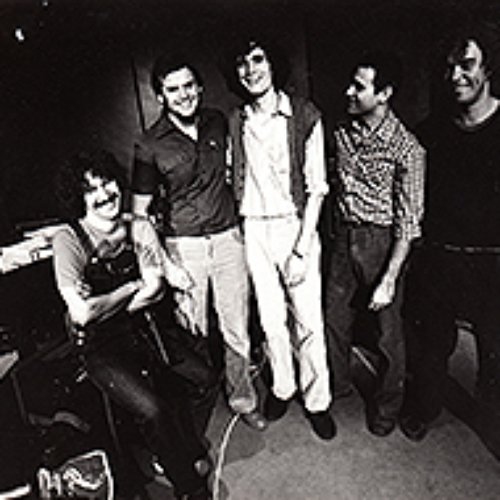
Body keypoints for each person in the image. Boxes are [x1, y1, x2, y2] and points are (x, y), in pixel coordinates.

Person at [52, 150, 211, 500]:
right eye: (90, 189)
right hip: (99, 346)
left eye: (107, 182)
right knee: (152, 410)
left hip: (142, 329)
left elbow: (154, 289)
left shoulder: (138, 225)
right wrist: (130, 287)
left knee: (201, 377)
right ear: (78, 197)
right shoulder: (68, 238)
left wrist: (104, 301)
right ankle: (189, 488)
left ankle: (172, 449)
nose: (104, 194)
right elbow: (82, 314)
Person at [131, 53, 266, 431]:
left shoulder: (218, 122)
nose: (184, 95)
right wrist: (165, 265)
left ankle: (242, 399)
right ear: (161, 96)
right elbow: (139, 216)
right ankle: (196, 413)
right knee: (193, 335)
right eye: (173, 89)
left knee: (237, 329)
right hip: (183, 248)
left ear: (200, 87)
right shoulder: (149, 144)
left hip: (227, 240)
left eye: (189, 85)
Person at [226, 36, 336, 440]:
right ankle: (283, 387)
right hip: (254, 228)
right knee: (271, 320)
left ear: (273, 64)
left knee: (308, 321)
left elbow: (318, 188)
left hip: (295, 225)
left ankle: (318, 400)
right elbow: (233, 174)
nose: (250, 69)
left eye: (258, 59)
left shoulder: (304, 115)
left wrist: (301, 249)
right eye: (242, 62)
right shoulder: (237, 120)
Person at [400, 21, 500, 441]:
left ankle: (492, 420)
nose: (456, 75)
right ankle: (424, 407)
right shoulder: (430, 132)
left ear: (489, 68)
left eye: (467, 64)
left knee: (495, 354)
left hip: (493, 262)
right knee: (430, 346)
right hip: (439, 259)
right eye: (449, 67)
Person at [324, 51, 425, 437]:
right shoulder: (342, 131)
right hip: (343, 236)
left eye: (359, 87)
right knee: (334, 319)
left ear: (384, 94)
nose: (348, 92)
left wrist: (389, 278)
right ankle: (337, 388)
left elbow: (409, 222)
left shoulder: (407, 149)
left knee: (387, 334)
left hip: (382, 243)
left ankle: (387, 408)